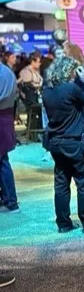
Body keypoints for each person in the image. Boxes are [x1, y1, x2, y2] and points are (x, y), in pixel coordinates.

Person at [42, 57, 84, 233]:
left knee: (61, 184)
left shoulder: (46, 91)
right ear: (68, 71)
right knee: (83, 183)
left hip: (56, 143)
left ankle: (63, 223)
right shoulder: (70, 88)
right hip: (75, 142)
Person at [0, 63, 19, 213]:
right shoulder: (8, 72)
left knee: (2, 161)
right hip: (6, 117)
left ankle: (11, 201)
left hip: (1, 118)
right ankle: (8, 199)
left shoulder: (2, 73)